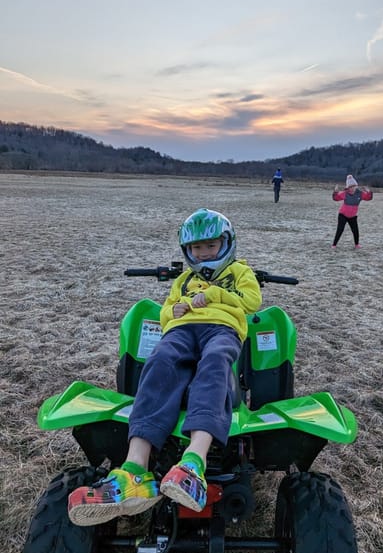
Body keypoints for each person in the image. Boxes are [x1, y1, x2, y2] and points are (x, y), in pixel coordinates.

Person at [68, 208, 262, 525]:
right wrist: (177, 308)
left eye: (210, 246)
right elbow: (165, 313)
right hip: (181, 330)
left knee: (215, 364)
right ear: (187, 252)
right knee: (158, 363)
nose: (203, 253)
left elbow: (251, 300)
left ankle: (193, 463)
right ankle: (134, 470)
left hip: (222, 329)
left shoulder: (240, 271)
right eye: (196, 248)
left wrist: (215, 294)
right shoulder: (184, 280)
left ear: (226, 244)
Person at [331, 174, 373, 249]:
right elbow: (336, 198)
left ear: (356, 186)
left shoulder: (360, 194)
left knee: (355, 231)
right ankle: (334, 245)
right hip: (343, 215)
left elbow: (368, 197)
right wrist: (335, 192)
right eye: (350, 187)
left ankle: (356, 244)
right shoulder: (345, 193)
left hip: (352, 216)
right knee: (340, 229)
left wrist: (369, 191)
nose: (352, 188)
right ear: (348, 187)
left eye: (354, 186)